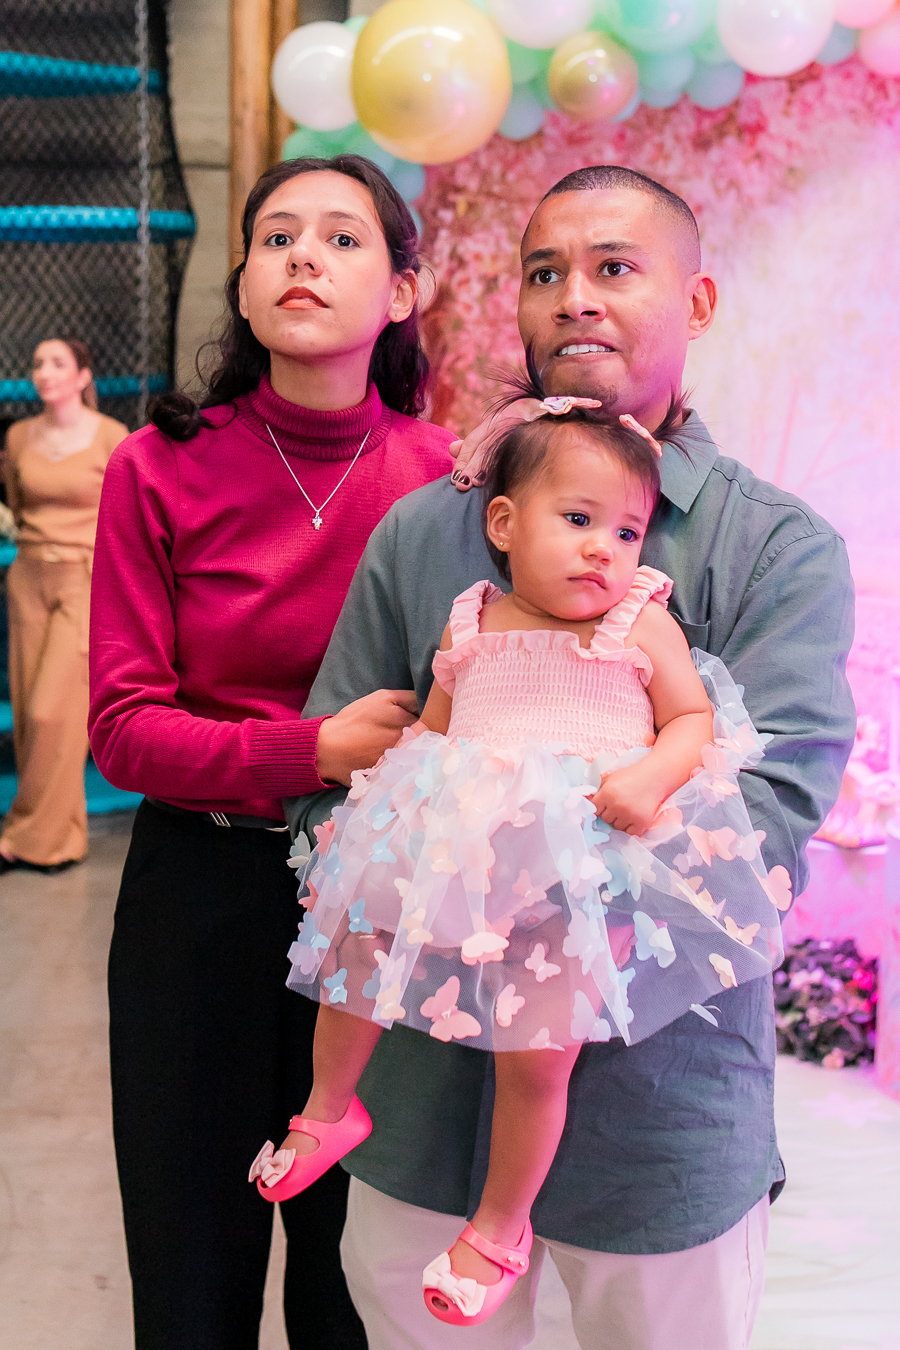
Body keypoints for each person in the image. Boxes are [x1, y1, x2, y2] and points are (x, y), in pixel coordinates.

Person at [285, 166, 856, 1350]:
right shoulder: (428, 529)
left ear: (696, 303)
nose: (575, 297)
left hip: (661, 1123)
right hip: (421, 1112)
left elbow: (775, 809)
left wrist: (542, 900)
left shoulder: (774, 547)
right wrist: (398, 875)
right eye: (545, 272)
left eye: (615, 268)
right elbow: (342, 762)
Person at [252, 400, 783, 1328]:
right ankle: (329, 1109)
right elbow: (432, 733)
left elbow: (694, 721)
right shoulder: (471, 620)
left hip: (573, 879)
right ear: (503, 523)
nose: (604, 550)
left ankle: (500, 1228)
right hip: (458, 856)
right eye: (577, 520)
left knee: (537, 1062)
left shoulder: (637, 622)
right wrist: (387, 820)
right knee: (355, 960)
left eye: (626, 531)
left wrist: (652, 775)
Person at [88, 155, 453, 1350]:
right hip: (199, 897)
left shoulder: (453, 479)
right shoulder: (159, 466)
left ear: (402, 291)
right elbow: (124, 726)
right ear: (243, 285)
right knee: (192, 1269)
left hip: (384, 902)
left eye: (344, 238)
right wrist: (315, 749)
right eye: (278, 236)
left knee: (355, 1282)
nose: (304, 255)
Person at [1, 338, 127, 872]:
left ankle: (23, 837)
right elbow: (16, 503)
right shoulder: (18, 437)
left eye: (57, 363)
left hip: (84, 578)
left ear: (83, 375)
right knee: (29, 717)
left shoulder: (112, 437)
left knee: (52, 711)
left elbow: (125, 514)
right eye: (37, 364)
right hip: (28, 576)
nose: (44, 372)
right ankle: (60, 839)